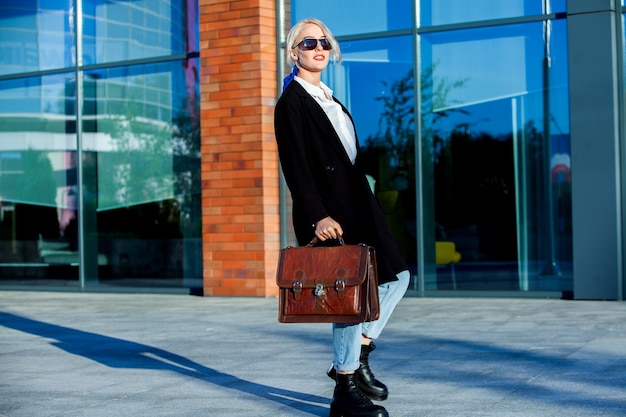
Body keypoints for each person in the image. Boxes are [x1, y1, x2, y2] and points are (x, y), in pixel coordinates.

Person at [274, 18, 411, 417]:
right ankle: (345, 391)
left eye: (323, 41)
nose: (318, 47)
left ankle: (353, 358)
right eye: (308, 42)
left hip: (359, 206)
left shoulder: (331, 99)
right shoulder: (291, 102)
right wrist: (316, 215)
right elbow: (295, 165)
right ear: (293, 52)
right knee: (348, 296)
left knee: (397, 278)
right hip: (329, 214)